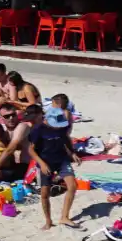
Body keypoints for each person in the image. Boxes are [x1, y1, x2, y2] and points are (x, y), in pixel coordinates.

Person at [30, 94, 80, 230]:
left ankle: (64, 217)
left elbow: (65, 139)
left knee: (73, 186)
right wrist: (42, 164)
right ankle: (48, 221)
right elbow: (31, 150)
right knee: (45, 193)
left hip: (62, 160)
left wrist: (72, 153)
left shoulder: (61, 125)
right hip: (45, 162)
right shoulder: (38, 130)